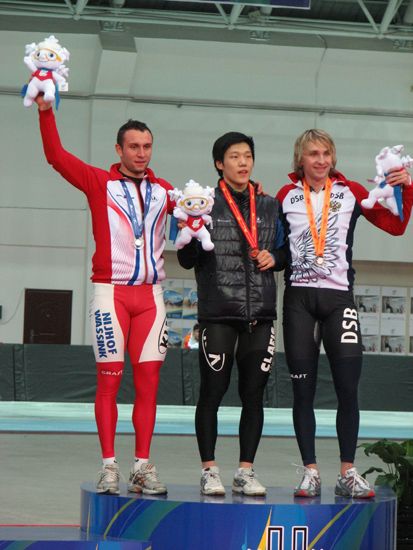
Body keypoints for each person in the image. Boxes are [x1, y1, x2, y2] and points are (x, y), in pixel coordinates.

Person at [33, 94, 175, 496]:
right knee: (108, 383)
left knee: (148, 384)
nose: (141, 153)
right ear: (119, 149)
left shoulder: (165, 191)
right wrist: (47, 112)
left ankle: (143, 467)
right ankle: (110, 466)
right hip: (110, 294)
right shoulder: (100, 181)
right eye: (134, 146)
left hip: (152, 297)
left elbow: (199, 222)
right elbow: (56, 156)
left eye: (147, 146)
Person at [276, 129, 413, 499]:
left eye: (326, 153)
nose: (320, 160)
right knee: (302, 390)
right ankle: (310, 472)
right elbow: (276, 251)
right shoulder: (285, 196)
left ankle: (348, 471)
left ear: (333, 158)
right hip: (299, 300)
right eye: (313, 154)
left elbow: (396, 225)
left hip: (339, 299)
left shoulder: (350, 191)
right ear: (300, 159)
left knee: (347, 388)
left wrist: (403, 188)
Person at [177, 132, 286, 496]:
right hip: (219, 313)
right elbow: (186, 260)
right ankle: (209, 469)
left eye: (248, 156)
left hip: (261, 314)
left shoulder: (270, 205)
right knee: (213, 390)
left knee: (254, 394)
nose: (243, 162)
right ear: (219, 164)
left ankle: (245, 470)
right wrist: (191, 232)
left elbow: (287, 253)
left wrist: (277, 258)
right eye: (234, 156)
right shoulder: (204, 205)